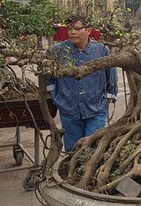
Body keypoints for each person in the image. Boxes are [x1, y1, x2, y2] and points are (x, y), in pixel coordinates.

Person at [47, 15, 118, 151]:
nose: (73, 32)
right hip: (69, 109)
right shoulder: (57, 51)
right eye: (70, 29)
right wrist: (55, 96)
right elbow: (47, 74)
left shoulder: (102, 50)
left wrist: (109, 96)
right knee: (73, 150)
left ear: (89, 30)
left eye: (77, 28)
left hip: (96, 108)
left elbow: (111, 74)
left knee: (92, 149)